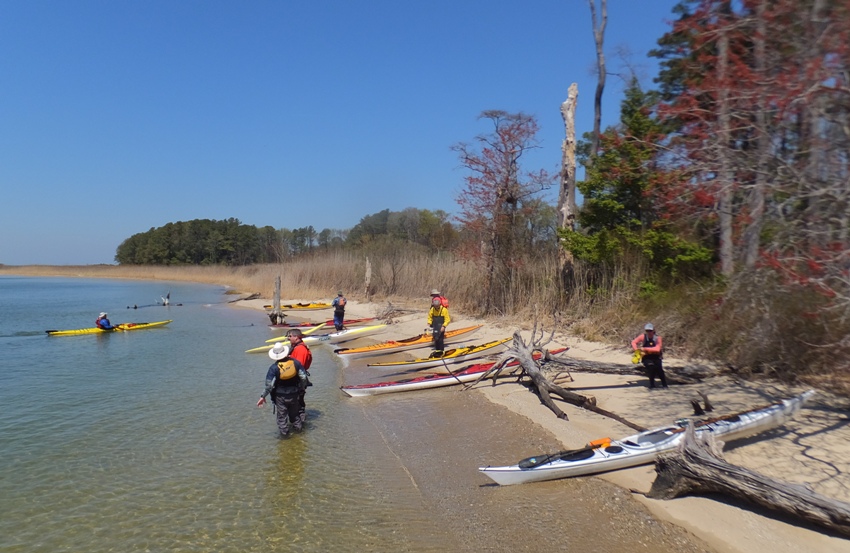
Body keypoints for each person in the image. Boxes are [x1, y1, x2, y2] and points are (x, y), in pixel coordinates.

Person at [257, 342, 308, 437]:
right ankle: (300, 434)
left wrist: (262, 396)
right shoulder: (295, 363)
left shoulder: (273, 368)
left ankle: (285, 439)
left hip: (280, 396)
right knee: (295, 415)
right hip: (294, 394)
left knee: (282, 417)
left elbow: (269, 385)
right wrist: (301, 388)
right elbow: (303, 377)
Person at [286, 328, 313, 424]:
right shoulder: (296, 347)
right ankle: (298, 421)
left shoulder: (300, 349)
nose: (288, 338)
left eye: (290, 336)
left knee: (298, 401)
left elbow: (299, 366)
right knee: (295, 401)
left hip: (298, 379)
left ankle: (300, 424)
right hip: (296, 379)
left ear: (296, 337)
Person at [631, 323, 667, 389]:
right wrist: (636, 350)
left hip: (656, 356)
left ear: (653, 330)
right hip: (647, 357)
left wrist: (644, 349)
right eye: (647, 331)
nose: (649, 332)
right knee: (651, 368)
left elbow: (657, 349)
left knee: (659, 369)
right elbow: (633, 342)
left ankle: (664, 385)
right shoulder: (643, 336)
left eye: (650, 331)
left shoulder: (658, 338)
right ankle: (652, 385)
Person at [426, 289, 450, 356]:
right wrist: (428, 324)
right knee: (436, 338)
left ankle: (441, 352)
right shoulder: (432, 309)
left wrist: (444, 326)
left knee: (440, 339)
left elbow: (447, 319)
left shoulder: (444, 310)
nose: (436, 307)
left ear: (439, 304)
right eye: (435, 306)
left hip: (441, 325)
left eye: (437, 306)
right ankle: (437, 352)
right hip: (435, 325)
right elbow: (430, 317)